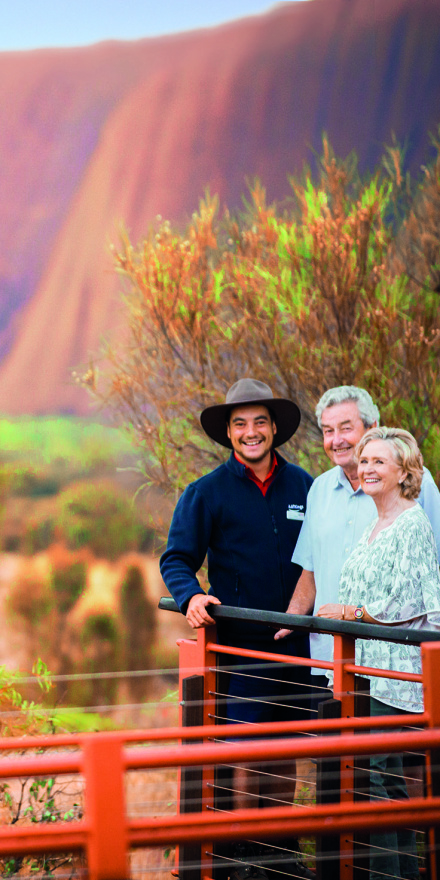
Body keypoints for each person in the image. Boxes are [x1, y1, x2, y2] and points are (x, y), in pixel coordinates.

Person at [160, 378, 314, 879]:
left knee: (285, 748)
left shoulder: (305, 487)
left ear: (275, 429)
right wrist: (192, 595)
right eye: (241, 424)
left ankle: (282, 852)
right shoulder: (206, 493)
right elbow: (177, 558)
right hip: (239, 647)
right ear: (229, 433)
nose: (252, 433)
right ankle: (246, 857)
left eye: (260, 422)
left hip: (297, 646)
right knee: (247, 747)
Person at [317, 426, 440, 880]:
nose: (366, 468)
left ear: (403, 471)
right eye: (364, 460)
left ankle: (393, 875)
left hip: (395, 670)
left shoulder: (412, 522)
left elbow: (414, 601)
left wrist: (350, 610)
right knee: (376, 777)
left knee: (375, 776)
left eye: (378, 462)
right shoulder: (375, 524)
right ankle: (399, 872)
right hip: (362, 665)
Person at [275, 386, 440, 707]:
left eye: (346, 428)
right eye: (328, 430)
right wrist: (291, 619)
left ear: (372, 425)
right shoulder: (318, 489)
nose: (336, 439)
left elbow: (432, 569)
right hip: (328, 655)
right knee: (331, 752)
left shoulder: (416, 486)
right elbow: (311, 570)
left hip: (393, 663)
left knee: (384, 752)